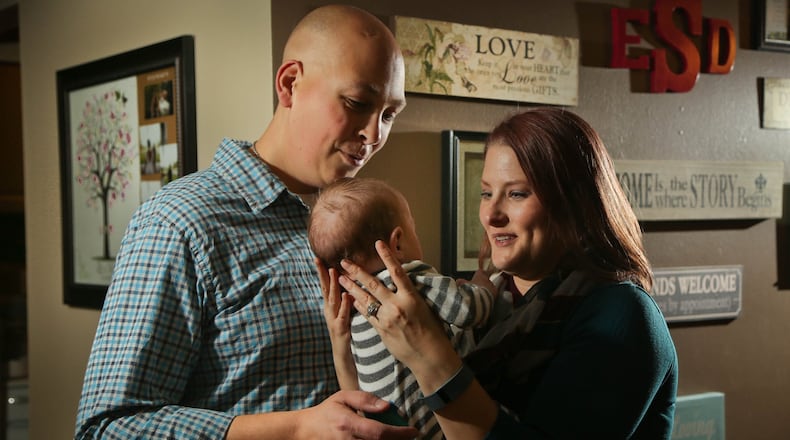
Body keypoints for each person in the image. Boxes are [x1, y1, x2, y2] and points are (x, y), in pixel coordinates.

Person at [75, 5, 417, 440]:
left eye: (389, 114)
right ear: (290, 84)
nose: (374, 134)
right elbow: (105, 429)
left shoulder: (366, 218)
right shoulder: (179, 222)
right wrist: (295, 429)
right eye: (357, 103)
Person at [324, 107, 679, 439]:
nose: (491, 215)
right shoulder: (486, 300)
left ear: (573, 203)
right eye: (486, 193)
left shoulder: (621, 315)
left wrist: (426, 354)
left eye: (517, 194)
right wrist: (343, 343)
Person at [309, 177, 499, 439]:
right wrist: (484, 289)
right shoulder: (411, 278)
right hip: (437, 423)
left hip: (386, 426)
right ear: (397, 242)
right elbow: (467, 311)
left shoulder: (353, 305)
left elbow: (354, 386)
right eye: (414, 229)